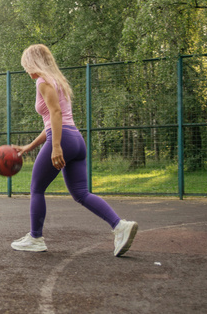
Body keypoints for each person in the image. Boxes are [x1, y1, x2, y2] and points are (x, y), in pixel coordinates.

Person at [11, 44, 138, 257]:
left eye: (25, 64)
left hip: (63, 140)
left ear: (33, 62)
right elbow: (53, 119)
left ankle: (35, 238)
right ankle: (120, 226)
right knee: (81, 193)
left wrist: (57, 146)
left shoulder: (43, 81)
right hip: (76, 140)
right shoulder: (58, 81)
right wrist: (30, 146)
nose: (25, 69)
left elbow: (56, 113)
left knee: (37, 188)